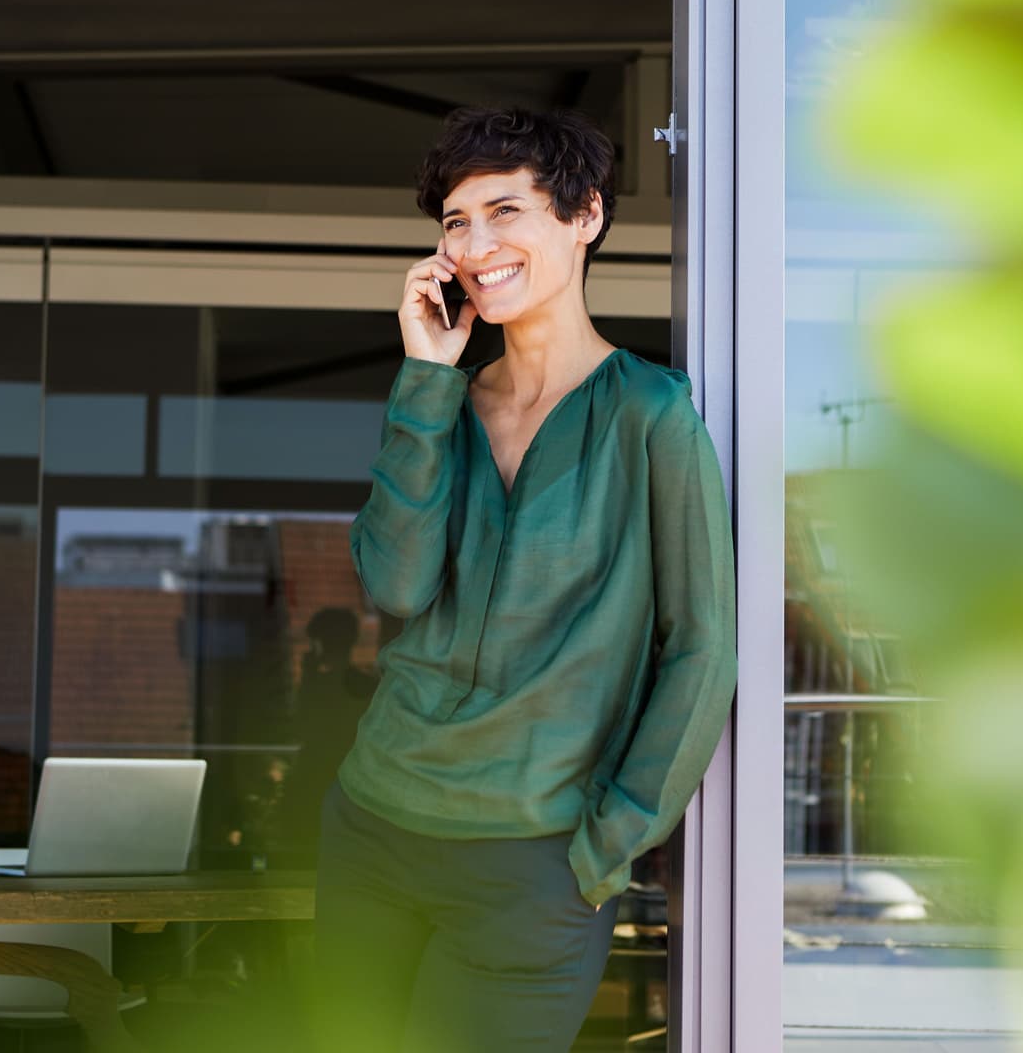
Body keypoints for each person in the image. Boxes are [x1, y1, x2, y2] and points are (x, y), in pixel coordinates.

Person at [308, 106, 737, 1053]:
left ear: (583, 216)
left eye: (505, 212)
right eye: (456, 222)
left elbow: (703, 648)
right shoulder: (444, 404)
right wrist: (425, 379)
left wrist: (610, 840)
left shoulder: (653, 416)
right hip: (374, 827)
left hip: (534, 861)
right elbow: (397, 585)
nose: (475, 244)